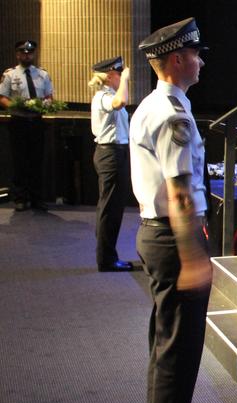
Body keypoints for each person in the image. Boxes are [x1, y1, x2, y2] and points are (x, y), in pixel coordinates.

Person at [129, 18, 218, 403]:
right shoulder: (173, 114)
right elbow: (180, 190)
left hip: (158, 232)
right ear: (178, 59)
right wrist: (193, 257)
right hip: (172, 236)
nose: (201, 62)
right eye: (197, 55)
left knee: (168, 344)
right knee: (179, 350)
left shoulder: (152, 105)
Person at [88, 56, 134, 272]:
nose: (123, 76)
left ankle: (107, 255)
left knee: (112, 207)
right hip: (110, 154)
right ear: (110, 75)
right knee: (110, 208)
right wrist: (125, 79)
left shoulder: (105, 95)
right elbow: (120, 102)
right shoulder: (103, 96)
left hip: (117, 153)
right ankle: (106, 259)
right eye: (119, 72)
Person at [0, 40, 53, 211]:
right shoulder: (10, 75)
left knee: (37, 161)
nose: (27, 55)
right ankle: (20, 198)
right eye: (23, 53)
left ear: (34, 54)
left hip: (37, 122)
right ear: (17, 54)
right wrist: (16, 106)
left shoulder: (42, 75)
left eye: (30, 53)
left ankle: (37, 198)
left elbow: (49, 96)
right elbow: (3, 97)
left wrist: (43, 104)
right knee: (19, 161)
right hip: (18, 122)